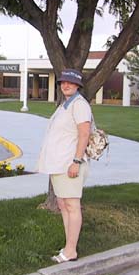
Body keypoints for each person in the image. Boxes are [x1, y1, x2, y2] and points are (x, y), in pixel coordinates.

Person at [37, 68, 92, 263]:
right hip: (59, 164)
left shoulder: (79, 105)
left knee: (71, 205)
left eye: (70, 82)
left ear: (77, 85)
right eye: (63, 82)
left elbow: (84, 134)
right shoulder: (65, 104)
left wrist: (76, 161)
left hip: (70, 164)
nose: (66, 85)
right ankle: (69, 246)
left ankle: (70, 251)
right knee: (63, 204)